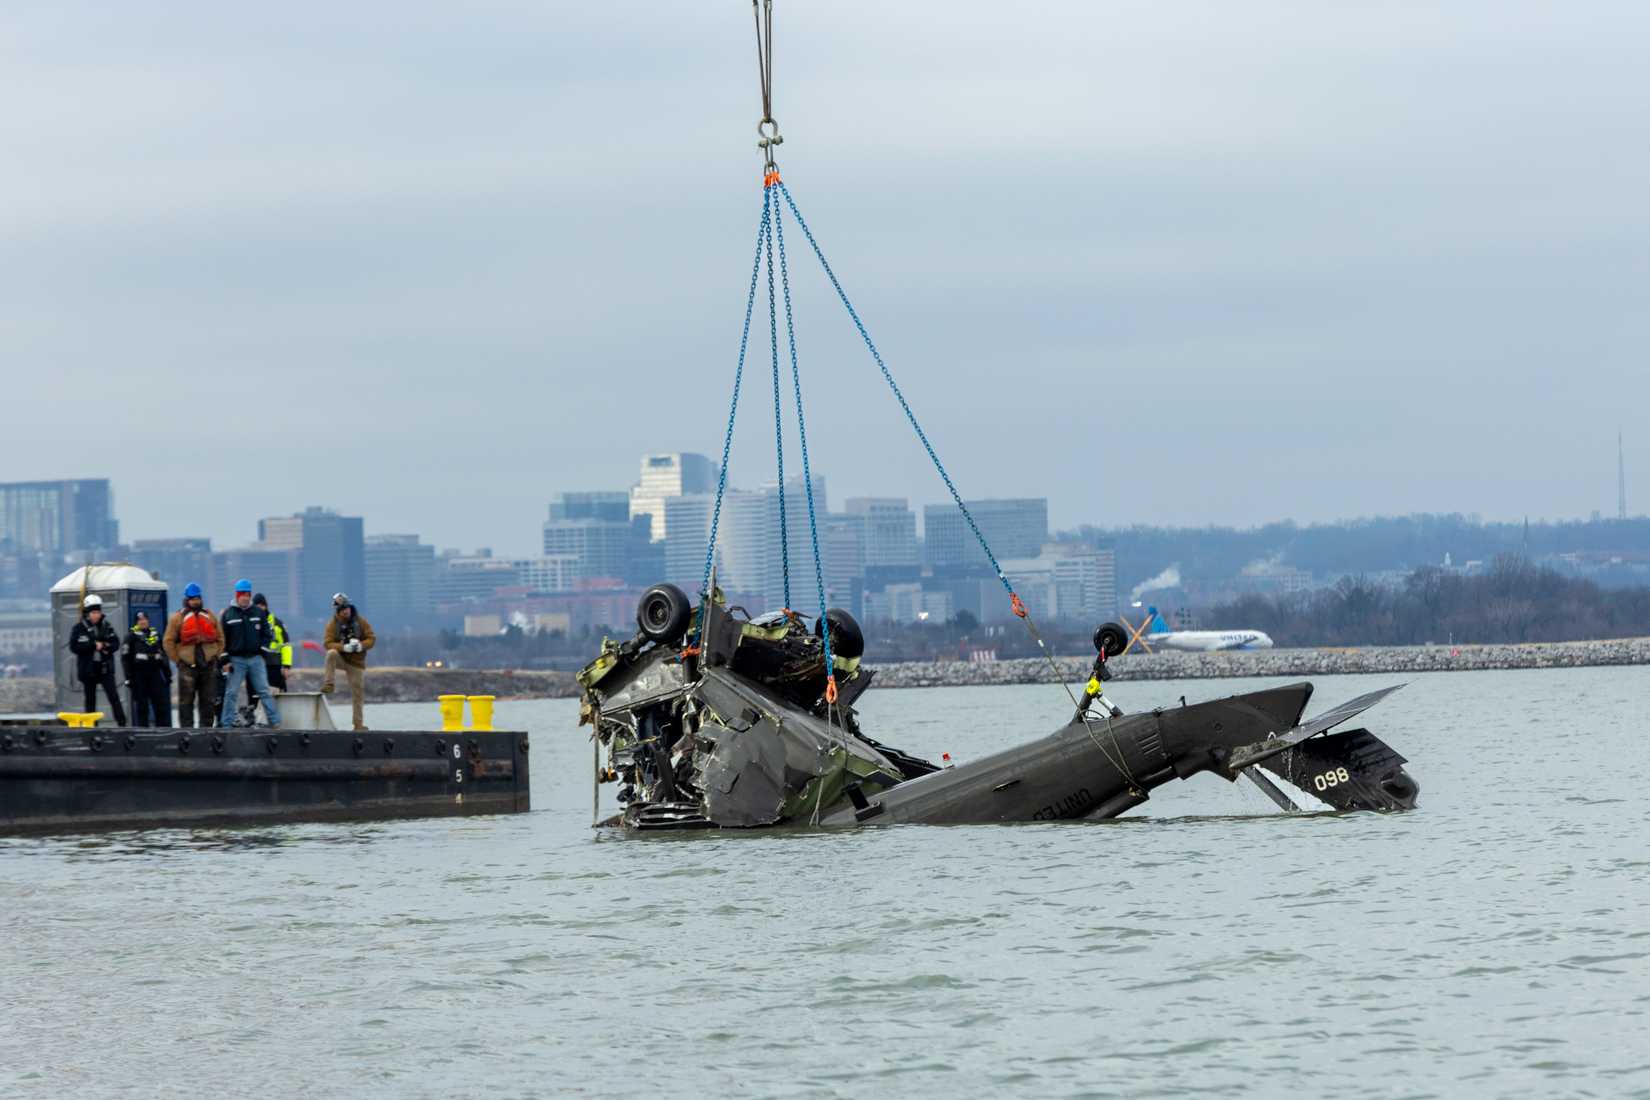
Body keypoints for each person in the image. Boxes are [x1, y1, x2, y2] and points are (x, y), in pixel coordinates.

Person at [219, 579, 280, 728]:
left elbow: (267, 634)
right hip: (236, 660)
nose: (245, 597)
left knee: (264, 691)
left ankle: (275, 722)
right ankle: (226, 724)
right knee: (231, 693)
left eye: (247, 594)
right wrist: (225, 660)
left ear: (250, 595)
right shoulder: (228, 614)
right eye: (242, 594)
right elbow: (222, 639)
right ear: (237, 595)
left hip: (256, 659)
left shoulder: (258, 613)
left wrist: (263, 651)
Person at [163, 582, 223, 727]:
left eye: (197, 598)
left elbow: (220, 638)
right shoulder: (178, 618)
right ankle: (187, 732)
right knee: (186, 701)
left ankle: (206, 730)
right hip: (187, 666)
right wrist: (178, 660)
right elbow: (168, 641)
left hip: (208, 665)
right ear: (187, 599)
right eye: (192, 598)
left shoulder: (209, 616)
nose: (195, 601)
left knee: (208, 700)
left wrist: (216, 656)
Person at [67, 594, 128, 724]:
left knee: (113, 696)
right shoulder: (79, 628)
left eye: (98, 612)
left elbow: (116, 643)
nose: (96, 615)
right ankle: (92, 727)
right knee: (90, 699)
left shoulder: (107, 626)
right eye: (93, 612)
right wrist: (93, 645)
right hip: (88, 669)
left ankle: (122, 724)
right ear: (88, 613)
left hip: (105, 668)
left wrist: (106, 645)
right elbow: (74, 647)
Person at [322, 592, 375, 731]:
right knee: (331, 653)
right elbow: (327, 643)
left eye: (347, 608)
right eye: (342, 609)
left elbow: (372, 638)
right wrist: (343, 647)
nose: (346, 611)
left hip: (356, 663)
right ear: (338, 612)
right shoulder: (333, 624)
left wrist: (361, 645)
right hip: (341, 658)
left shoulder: (361, 622)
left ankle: (358, 725)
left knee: (358, 693)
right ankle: (329, 684)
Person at [122, 610, 172, 727]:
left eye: (144, 619)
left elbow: (163, 656)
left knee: (160, 705)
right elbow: (125, 658)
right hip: (139, 675)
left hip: (155, 673)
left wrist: (167, 674)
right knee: (142, 707)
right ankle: (143, 732)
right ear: (136, 622)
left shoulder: (155, 635)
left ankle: (162, 731)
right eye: (140, 620)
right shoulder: (131, 637)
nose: (143, 622)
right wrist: (128, 677)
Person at [253, 593, 292, 694]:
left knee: (278, 694)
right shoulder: (251, 623)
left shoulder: (277, 623)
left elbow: (286, 646)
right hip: (257, 665)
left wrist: (286, 666)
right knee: (255, 696)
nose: (260, 608)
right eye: (257, 606)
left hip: (275, 666)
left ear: (265, 606)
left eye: (261, 605)